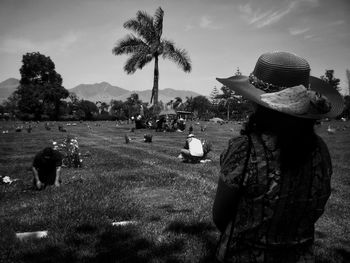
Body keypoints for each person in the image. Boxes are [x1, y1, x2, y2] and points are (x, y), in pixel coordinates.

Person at [213, 51, 344, 262]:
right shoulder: (321, 151)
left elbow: (220, 216)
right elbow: (316, 210)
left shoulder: (244, 150)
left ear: (257, 103)